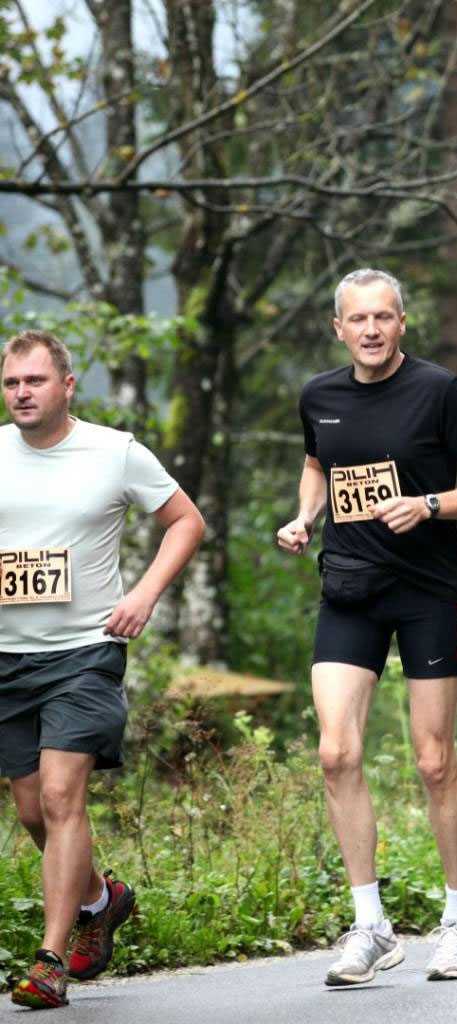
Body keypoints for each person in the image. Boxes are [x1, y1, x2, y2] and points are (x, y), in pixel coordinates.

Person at [274, 269, 457, 986]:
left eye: (384, 317)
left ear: (402, 323)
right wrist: (304, 516)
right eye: (359, 319)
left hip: (427, 593)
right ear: (338, 328)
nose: (371, 329)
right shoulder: (320, 396)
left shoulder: (439, 391)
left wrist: (430, 504)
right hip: (350, 590)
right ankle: (370, 926)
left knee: (434, 760)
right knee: (335, 752)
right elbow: (317, 464)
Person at [2, 330, 205, 1009]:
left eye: (34, 380)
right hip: (8, 658)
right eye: (11, 383)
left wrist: (144, 594)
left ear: (67, 386)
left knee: (62, 797)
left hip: (85, 653)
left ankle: (50, 961)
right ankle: (101, 898)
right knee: (32, 809)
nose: (22, 393)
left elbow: (186, 521)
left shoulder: (115, 452)